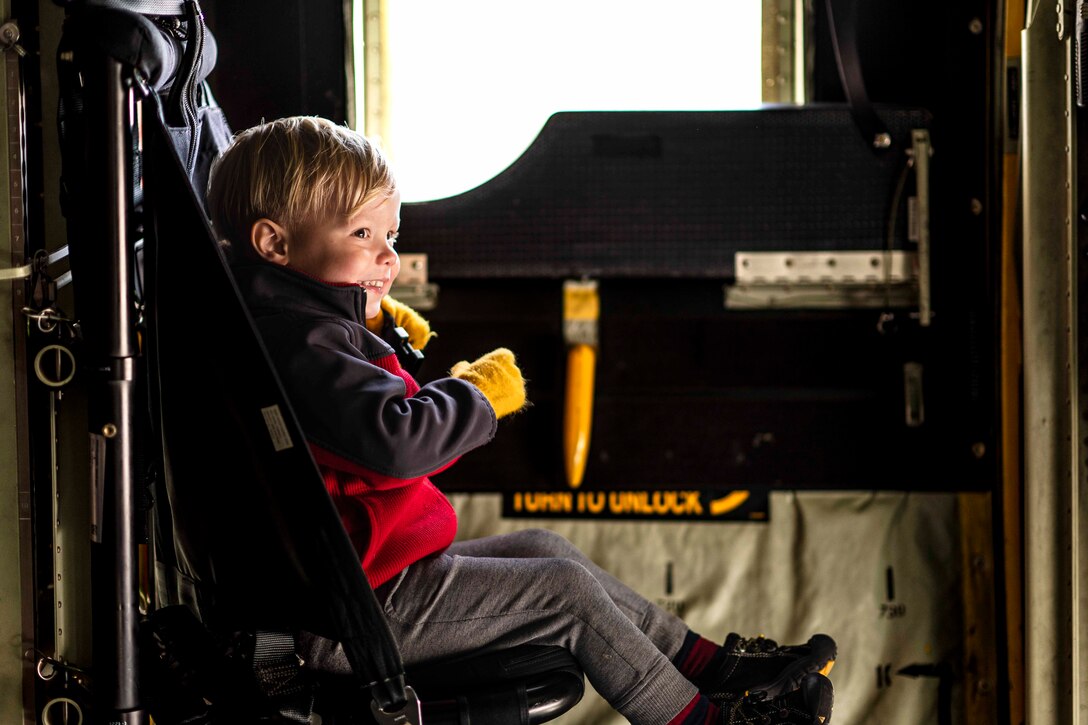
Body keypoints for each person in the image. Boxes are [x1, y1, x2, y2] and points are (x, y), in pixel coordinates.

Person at [206, 115, 837, 725]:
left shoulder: (299, 328)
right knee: (562, 592)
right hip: (351, 618)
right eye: (362, 236)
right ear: (274, 243)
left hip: (373, 574)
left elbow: (347, 410)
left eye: (391, 237)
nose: (388, 259)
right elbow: (395, 441)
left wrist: (376, 329)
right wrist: (476, 395)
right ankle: (698, 719)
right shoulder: (305, 346)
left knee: (545, 548)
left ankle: (712, 666)